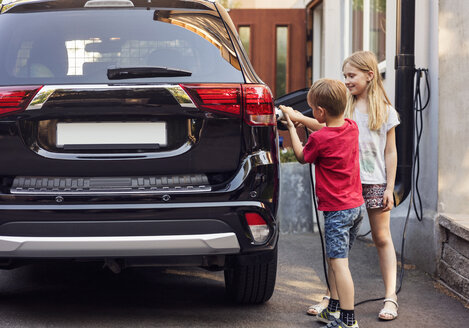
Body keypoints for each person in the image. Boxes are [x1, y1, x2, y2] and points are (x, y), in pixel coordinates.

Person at [298, 51, 400, 321]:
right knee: (338, 249)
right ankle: (331, 298)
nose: (346, 81)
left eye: (351, 75)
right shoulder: (346, 107)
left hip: (375, 181)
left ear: (369, 75)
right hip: (348, 182)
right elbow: (325, 129)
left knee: (381, 237)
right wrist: (298, 118)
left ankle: (390, 298)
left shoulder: (387, 112)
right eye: (345, 76)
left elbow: (391, 152)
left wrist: (390, 187)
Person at [280, 78, 365, 328]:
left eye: (313, 109)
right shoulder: (351, 127)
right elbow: (322, 126)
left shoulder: (320, 139)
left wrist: (292, 127)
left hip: (337, 212)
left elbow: (301, 156)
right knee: (335, 260)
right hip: (355, 208)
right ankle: (333, 309)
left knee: (340, 265)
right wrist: (298, 116)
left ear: (320, 111)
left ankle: (348, 321)